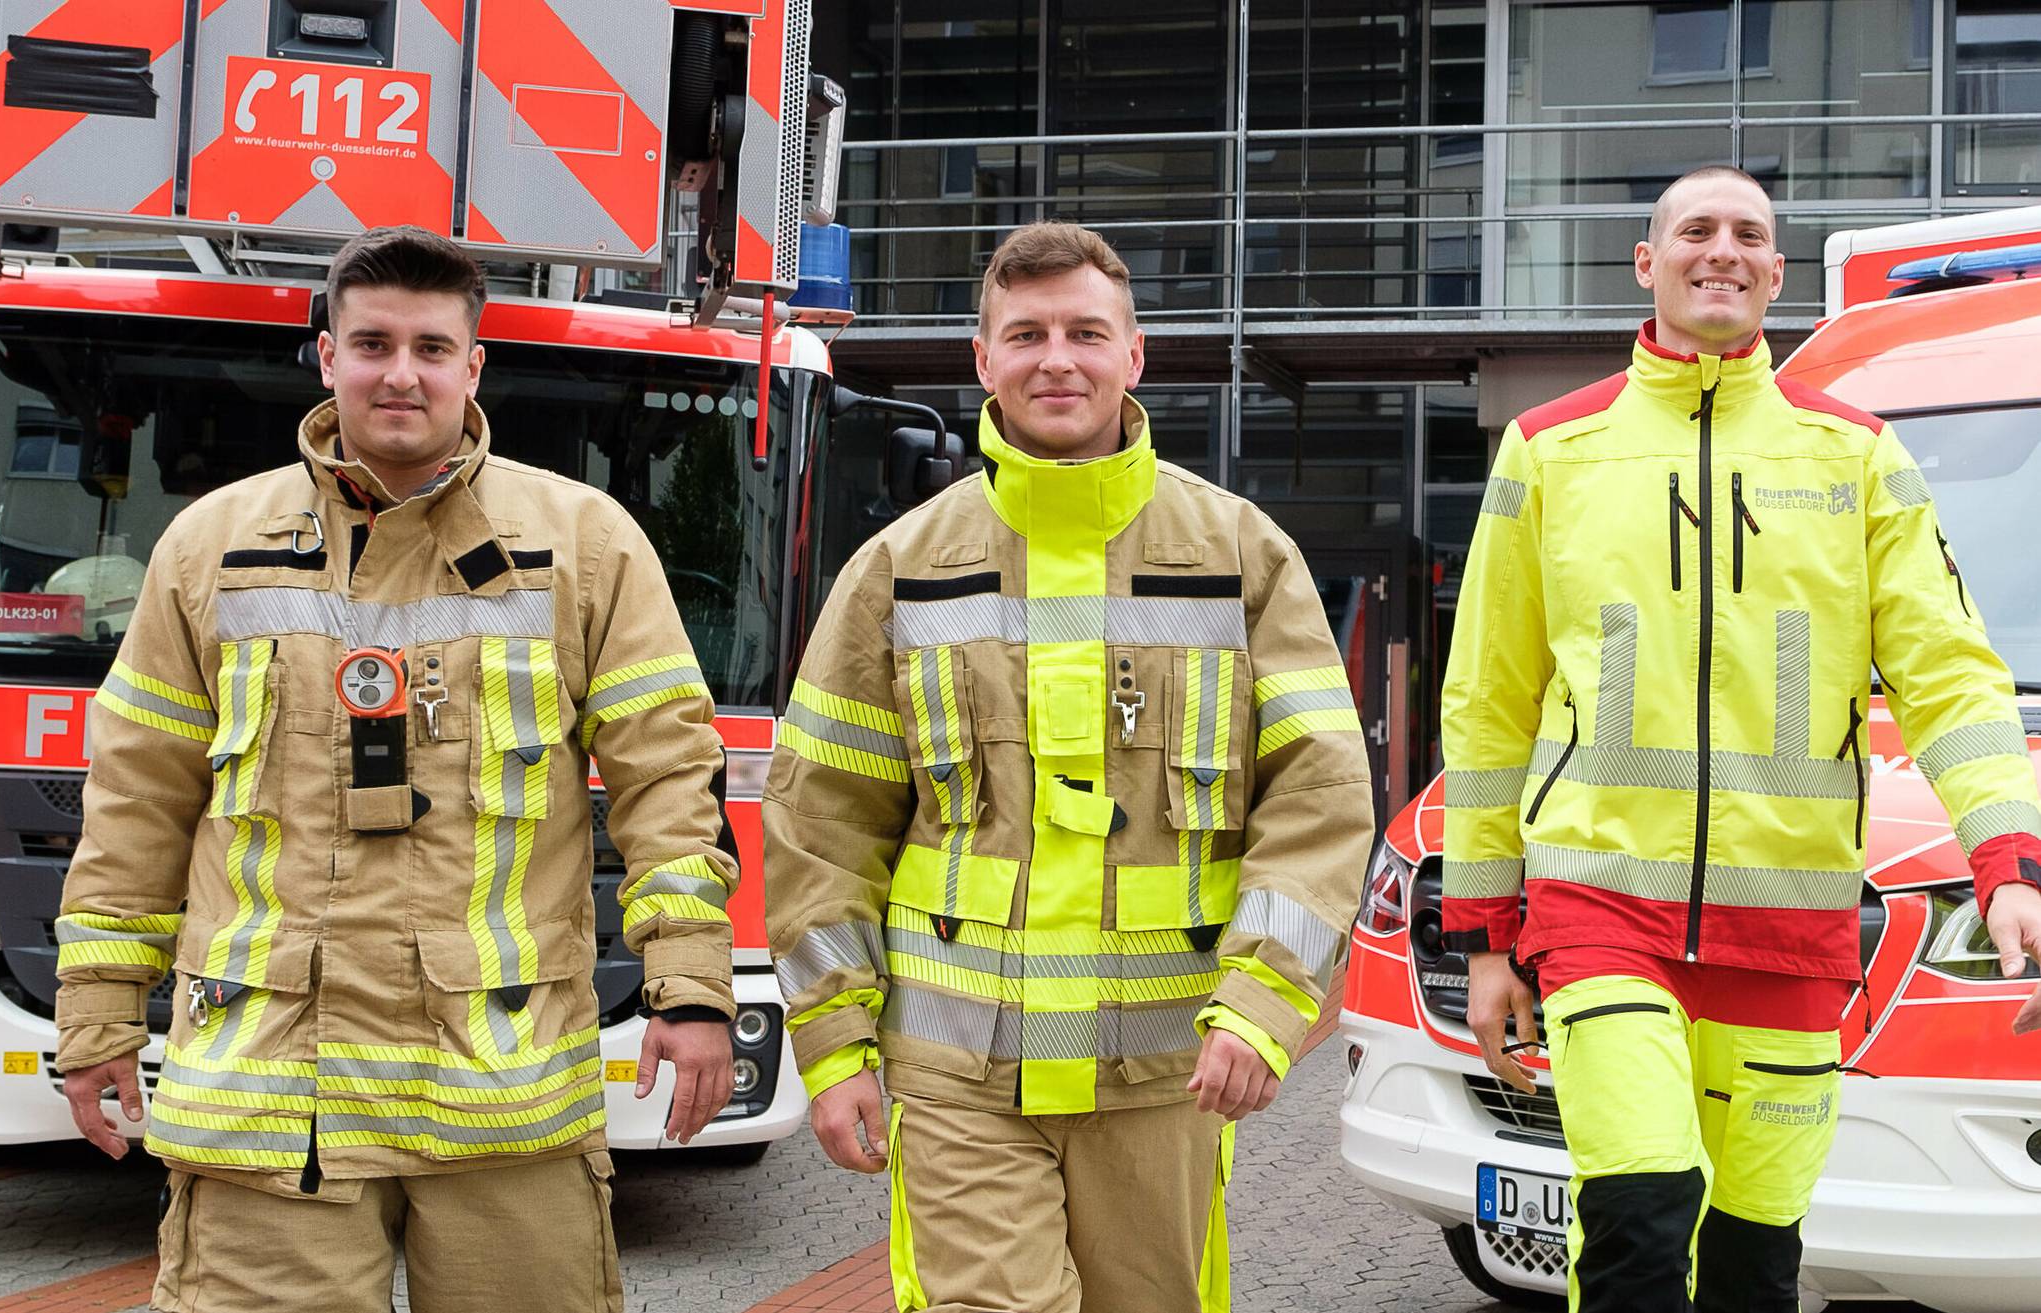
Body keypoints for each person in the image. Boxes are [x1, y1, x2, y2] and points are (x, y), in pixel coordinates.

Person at [53, 225, 738, 1313]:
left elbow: (669, 785)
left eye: (431, 346)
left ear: (475, 366)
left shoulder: (583, 544)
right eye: (372, 343)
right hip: (271, 1103)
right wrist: (96, 1015)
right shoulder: (211, 549)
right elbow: (136, 801)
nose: (401, 372)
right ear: (327, 356)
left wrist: (693, 990)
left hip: (498, 1096)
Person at [1442, 165, 2041, 1313]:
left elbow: (1950, 673)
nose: (1721, 248)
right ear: (1647, 262)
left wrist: (2008, 858)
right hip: (1600, 911)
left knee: (1757, 1255)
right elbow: (1487, 702)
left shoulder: (1857, 454)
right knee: (1640, 1205)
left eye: (1748, 235)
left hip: (1793, 925)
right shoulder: (1548, 449)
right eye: (1694, 229)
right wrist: (1482, 929)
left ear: (1776, 273)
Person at [763, 221, 1375, 1313]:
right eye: (1028, 333)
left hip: (1163, 1071)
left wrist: (1264, 1004)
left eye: (1086, 332)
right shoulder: (897, 571)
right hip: (957, 1075)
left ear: (1132, 355)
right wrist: (832, 1043)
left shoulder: (1242, 556)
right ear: (982, 358)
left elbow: (1319, 800)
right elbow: (823, 823)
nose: (1058, 358)